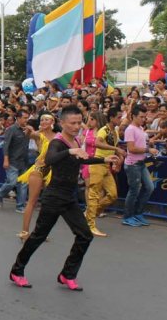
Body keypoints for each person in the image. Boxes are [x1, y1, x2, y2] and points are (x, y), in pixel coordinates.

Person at [9, 105, 119, 291]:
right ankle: (17, 271)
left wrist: (103, 160)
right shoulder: (58, 143)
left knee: (84, 235)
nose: (77, 126)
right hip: (54, 197)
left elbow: (81, 159)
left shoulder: (76, 140)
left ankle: (67, 274)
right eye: (72, 123)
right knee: (38, 236)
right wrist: (70, 152)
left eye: (79, 122)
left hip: (69, 197)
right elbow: (50, 159)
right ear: (62, 123)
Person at [15, 113, 56, 241]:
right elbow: (30, 134)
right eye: (42, 119)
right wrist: (29, 131)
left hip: (51, 171)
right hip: (39, 169)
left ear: (52, 122)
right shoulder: (39, 134)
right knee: (32, 201)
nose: (44, 121)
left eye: (46, 119)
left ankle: (40, 232)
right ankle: (24, 232)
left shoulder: (57, 137)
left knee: (47, 204)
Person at [86, 107, 126, 236]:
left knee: (112, 195)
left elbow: (116, 148)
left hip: (106, 164)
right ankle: (90, 224)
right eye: (119, 117)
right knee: (94, 194)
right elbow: (97, 143)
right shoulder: (104, 130)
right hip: (98, 163)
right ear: (111, 118)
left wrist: (119, 158)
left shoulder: (114, 131)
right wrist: (116, 149)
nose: (121, 119)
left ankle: (89, 215)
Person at [123, 105, 158, 227]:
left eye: (145, 117)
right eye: (141, 117)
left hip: (141, 163)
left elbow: (140, 143)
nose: (144, 119)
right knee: (134, 190)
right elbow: (131, 148)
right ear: (133, 116)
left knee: (149, 187)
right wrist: (148, 149)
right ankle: (127, 216)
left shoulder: (140, 128)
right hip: (133, 165)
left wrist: (149, 143)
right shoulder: (130, 129)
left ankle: (138, 213)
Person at [0, 110, 30, 213]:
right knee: (12, 182)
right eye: (24, 118)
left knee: (23, 184)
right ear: (18, 118)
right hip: (13, 161)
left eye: (27, 118)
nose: (26, 120)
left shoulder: (28, 130)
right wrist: (6, 159)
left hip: (23, 161)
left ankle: (20, 206)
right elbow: (6, 145)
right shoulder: (11, 129)